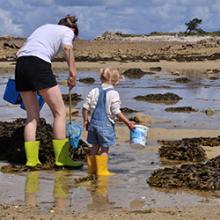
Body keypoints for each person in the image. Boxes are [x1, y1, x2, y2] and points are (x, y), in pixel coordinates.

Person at [15, 15, 82, 168]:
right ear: (72, 30)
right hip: (38, 63)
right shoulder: (68, 31)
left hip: (21, 65)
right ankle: (61, 158)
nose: (73, 40)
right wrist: (73, 73)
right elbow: (67, 48)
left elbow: (19, 52)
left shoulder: (44, 28)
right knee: (60, 113)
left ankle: (31, 161)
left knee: (31, 116)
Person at [82, 68, 135, 176]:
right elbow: (116, 111)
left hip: (93, 124)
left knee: (94, 147)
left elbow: (85, 108)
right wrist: (128, 122)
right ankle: (102, 171)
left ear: (101, 78)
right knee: (104, 149)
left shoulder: (94, 91)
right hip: (105, 126)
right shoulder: (114, 93)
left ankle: (91, 170)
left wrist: (85, 120)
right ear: (116, 81)